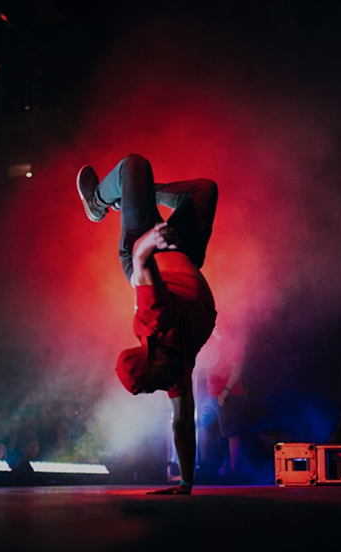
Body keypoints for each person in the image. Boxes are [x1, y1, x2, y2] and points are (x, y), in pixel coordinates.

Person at [76, 153, 218, 495]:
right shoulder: (177, 370)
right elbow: (182, 423)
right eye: (166, 384)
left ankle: (97, 203)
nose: (173, 382)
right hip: (184, 252)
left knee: (134, 165)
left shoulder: (154, 321)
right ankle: (130, 193)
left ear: (154, 356)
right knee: (204, 190)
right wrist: (185, 482)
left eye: (163, 379)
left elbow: (141, 261)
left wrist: (152, 241)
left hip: (145, 247)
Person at [196, 326, 247, 482]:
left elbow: (237, 369)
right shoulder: (210, 344)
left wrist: (225, 390)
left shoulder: (234, 344)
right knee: (202, 424)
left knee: (230, 432)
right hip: (211, 394)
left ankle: (233, 470)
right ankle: (204, 464)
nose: (216, 327)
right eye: (214, 324)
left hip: (230, 394)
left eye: (220, 324)